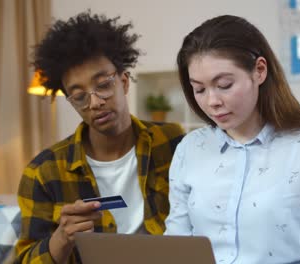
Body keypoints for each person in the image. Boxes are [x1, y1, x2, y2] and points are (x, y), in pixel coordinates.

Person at [164, 15, 300, 263]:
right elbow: (175, 245)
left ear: (259, 70)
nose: (212, 101)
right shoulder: (190, 149)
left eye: (225, 85)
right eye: (199, 89)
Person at [15, 12, 185, 263]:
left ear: (124, 82)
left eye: (103, 85)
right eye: (79, 96)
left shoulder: (172, 142)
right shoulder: (43, 172)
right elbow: (25, 259)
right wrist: (61, 239)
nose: (95, 102)